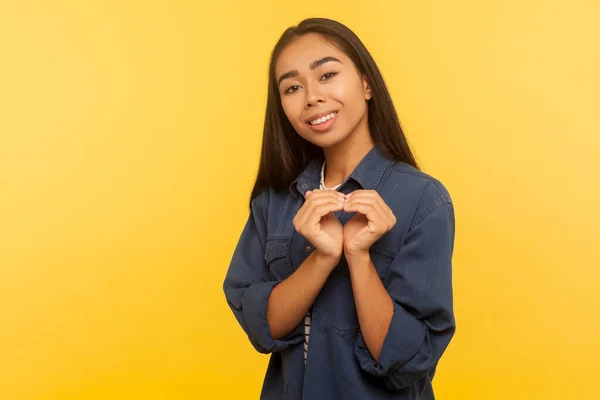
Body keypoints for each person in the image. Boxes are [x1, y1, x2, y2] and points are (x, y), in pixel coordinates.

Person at [223, 17, 455, 400]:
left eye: (327, 75)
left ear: (366, 83)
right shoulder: (274, 199)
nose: (311, 96)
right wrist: (322, 259)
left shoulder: (424, 201)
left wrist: (358, 256)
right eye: (293, 87)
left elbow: (407, 361)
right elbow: (263, 328)